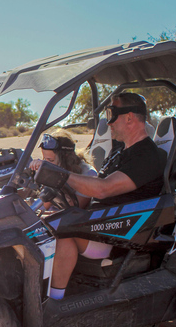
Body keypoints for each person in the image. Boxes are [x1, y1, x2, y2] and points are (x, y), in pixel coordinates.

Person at [34, 92, 167, 300]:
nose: (108, 122)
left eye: (111, 114)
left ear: (130, 117)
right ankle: (43, 294)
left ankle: (54, 302)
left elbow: (103, 189)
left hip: (118, 233)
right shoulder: (120, 151)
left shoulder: (147, 156)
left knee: (60, 227)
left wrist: (60, 175)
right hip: (99, 225)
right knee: (42, 222)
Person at [29, 131, 96, 210]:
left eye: (50, 160)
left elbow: (74, 208)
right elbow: (43, 207)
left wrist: (52, 179)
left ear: (65, 157)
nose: (47, 164)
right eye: (45, 159)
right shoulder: (56, 169)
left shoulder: (87, 173)